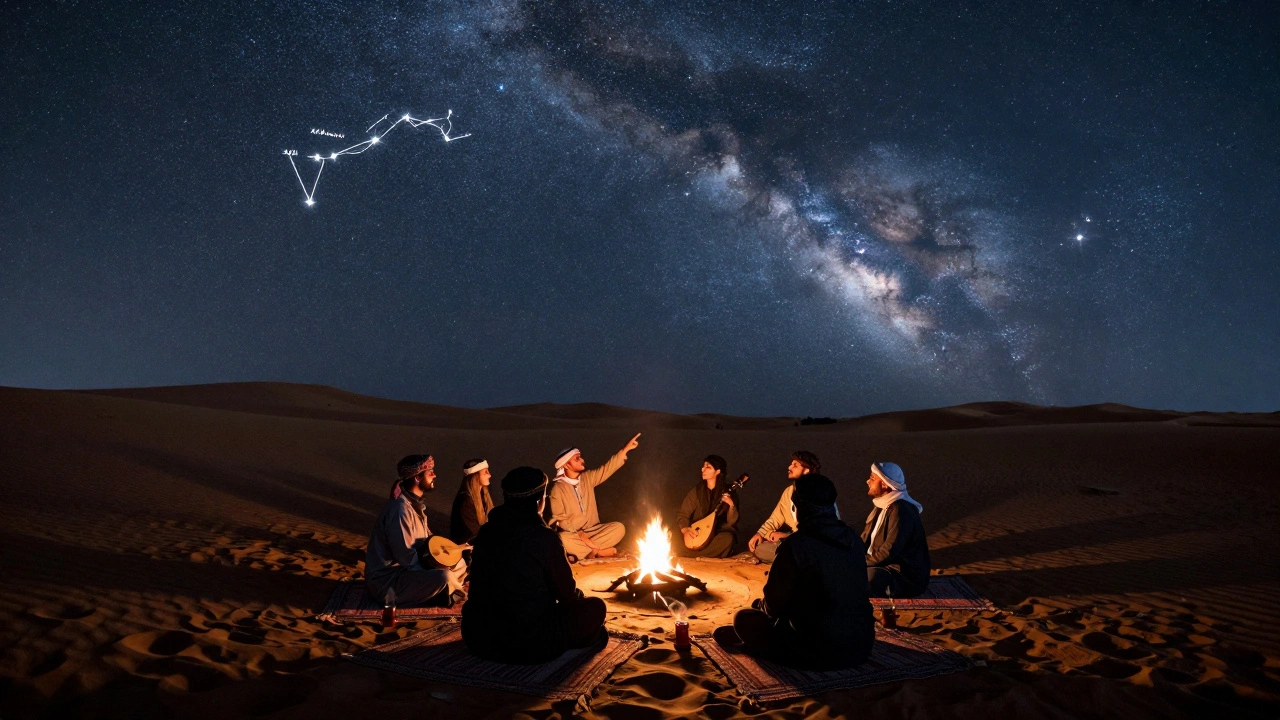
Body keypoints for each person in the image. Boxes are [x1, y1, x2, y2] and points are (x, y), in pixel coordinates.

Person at [713, 474, 874, 669]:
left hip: (816, 648)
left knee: (743, 618)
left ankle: (756, 646)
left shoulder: (797, 546)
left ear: (799, 507)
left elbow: (774, 607)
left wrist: (762, 608)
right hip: (861, 644)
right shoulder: (853, 539)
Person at [462, 467, 608, 664]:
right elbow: (567, 595)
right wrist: (580, 600)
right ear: (540, 501)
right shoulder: (543, 537)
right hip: (526, 641)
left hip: (478, 637)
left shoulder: (486, 532)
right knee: (596, 608)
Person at [364, 454, 467, 608]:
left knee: (460, 564)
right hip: (390, 580)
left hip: (410, 569)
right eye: (430, 472)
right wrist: (434, 568)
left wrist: (451, 553)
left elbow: (428, 542)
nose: (434, 475)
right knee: (444, 576)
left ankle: (440, 591)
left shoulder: (414, 505)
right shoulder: (400, 510)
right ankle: (438, 592)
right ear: (417, 478)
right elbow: (406, 556)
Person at [547, 434, 640, 562]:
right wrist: (580, 534)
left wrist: (625, 450)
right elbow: (559, 518)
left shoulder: (588, 478)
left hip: (594, 531)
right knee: (562, 539)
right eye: (577, 459)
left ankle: (590, 552)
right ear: (566, 465)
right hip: (575, 535)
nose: (582, 460)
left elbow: (606, 470)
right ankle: (599, 552)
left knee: (619, 528)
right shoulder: (558, 489)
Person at [861, 462, 930, 598]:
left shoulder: (901, 510)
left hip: (902, 575)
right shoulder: (882, 506)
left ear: (885, 484)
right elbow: (864, 539)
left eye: (873, 478)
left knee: (865, 579)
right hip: (880, 565)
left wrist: (860, 563)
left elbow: (889, 550)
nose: (868, 481)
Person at [747, 451, 821, 563]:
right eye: (791, 464)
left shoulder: (820, 491)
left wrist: (787, 537)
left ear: (806, 470)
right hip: (796, 541)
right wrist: (761, 533)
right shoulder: (789, 491)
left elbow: (819, 530)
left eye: (795, 465)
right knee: (761, 549)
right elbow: (776, 517)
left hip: (815, 543)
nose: (790, 467)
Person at [676, 455, 740, 558]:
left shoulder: (729, 492)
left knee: (728, 539)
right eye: (703, 466)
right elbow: (683, 514)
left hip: (714, 535)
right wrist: (686, 530)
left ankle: (695, 557)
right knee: (672, 534)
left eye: (708, 467)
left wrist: (731, 505)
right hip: (696, 533)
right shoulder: (697, 491)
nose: (703, 469)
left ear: (718, 471)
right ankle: (694, 555)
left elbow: (732, 522)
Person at [449, 458, 495, 545]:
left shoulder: (482, 496)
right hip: (464, 551)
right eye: (485, 472)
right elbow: (474, 532)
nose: (489, 475)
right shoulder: (465, 500)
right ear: (476, 476)